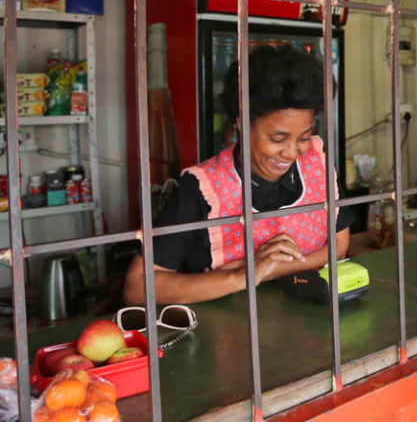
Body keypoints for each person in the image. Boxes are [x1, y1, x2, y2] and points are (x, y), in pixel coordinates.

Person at [124, 44, 351, 305]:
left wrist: (271, 269)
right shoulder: (202, 189)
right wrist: (243, 275)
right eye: (278, 139)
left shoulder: (317, 163)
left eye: (303, 136)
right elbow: (137, 287)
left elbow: (338, 247)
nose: (291, 153)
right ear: (241, 124)